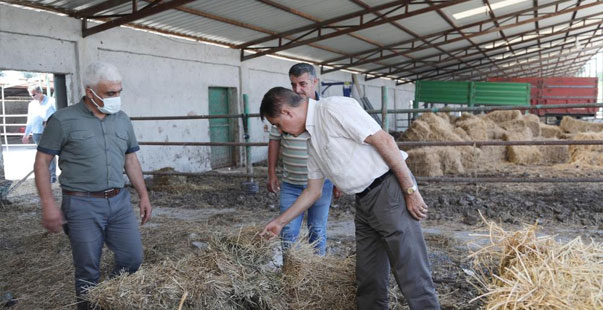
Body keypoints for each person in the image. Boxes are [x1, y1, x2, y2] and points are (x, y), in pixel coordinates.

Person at [260, 87, 439, 309]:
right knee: (368, 276)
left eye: (277, 124)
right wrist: (280, 222)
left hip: (389, 190)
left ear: (287, 112)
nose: (281, 130)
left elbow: (384, 141)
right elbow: (313, 190)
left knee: (411, 271)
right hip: (364, 201)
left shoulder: (334, 108)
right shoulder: (312, 140)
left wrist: (410, 191)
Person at [33, 62, 152, 310]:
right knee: (87, 269)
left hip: (119, 201)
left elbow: (131, 158)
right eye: (110, 93)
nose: (116, 98)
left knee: (132, 258)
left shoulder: (122, 120)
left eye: (119, 91)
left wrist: (143, 195)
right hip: (81, 204)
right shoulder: (63, 120)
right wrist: (48, 204)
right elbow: (42, 163)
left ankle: (111, 300)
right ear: (90, 92)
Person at [267, 63, 339, 256]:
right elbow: (274, 142)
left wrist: (338, 180)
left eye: (302, 84)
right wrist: (272, 173)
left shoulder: (326, 111)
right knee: (288, 231)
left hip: (321, 182)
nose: (297, 90)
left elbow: (336, 149)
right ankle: (290, 271)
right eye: (293, 85)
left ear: (315, 82)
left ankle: (317, 272)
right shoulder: (284, 112)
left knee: (317, 230)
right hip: (292, 182)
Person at [23, 85, 57, 182]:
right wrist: (26, 134)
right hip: (36, 132)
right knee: (41, 154)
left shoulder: (51, 101)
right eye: (31, 95)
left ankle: (52, 175)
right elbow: (29, 119)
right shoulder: (32, 104)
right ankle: (45, 174)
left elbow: (59, 114)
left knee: (49, 152)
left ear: (39, 92)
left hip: (49, 132)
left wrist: (49, 121)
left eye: (33, 95)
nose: (32, 97)